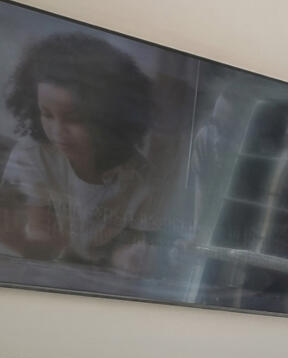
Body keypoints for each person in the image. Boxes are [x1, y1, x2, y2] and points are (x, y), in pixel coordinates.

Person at [1, 30, 174, 275]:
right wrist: (21, 242)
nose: (58, 131)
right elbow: (38, 246)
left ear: (108, 117)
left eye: (74, 119)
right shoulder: (31, 155)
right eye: (47, 114)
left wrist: (129, 258)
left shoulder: (139, 176)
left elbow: (134, 252)